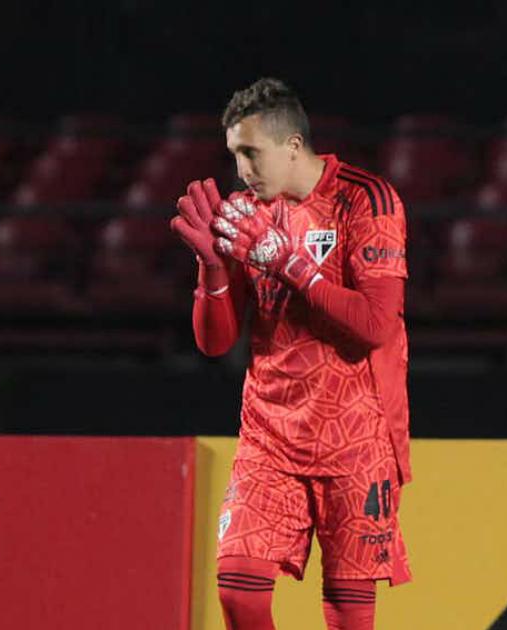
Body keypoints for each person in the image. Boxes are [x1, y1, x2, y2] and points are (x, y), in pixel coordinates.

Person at [170, 78, 413, 630]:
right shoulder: (246, 212)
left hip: (357, 436)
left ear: (293, 146)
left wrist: (291, 262)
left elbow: (375, 326)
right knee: (238, 591)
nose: (241, 170)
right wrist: (212, 269)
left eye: (251, 153)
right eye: (235, 155)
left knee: (349, 616)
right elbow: (214, 342)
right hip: (269, 435)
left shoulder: (365, 200)